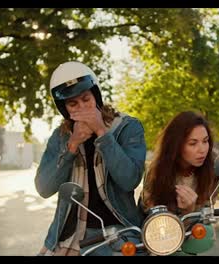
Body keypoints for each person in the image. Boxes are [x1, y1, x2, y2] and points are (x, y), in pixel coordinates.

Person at [35, 61, 146, 256]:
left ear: (96, 95)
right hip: (73, 234)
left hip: (121, 230)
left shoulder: (127, 127)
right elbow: (44, 188)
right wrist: (72, 146)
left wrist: (102, 133)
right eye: (73, 104)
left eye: (86, 99)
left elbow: (129, 180)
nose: (83, 108)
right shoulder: (61, 137)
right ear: (65, 109)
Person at [140, 111, 218, 216]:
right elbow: (147, 214)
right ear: (176, 145)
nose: (202, 149)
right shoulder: (156, 171)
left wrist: (190, 211)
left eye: (205, 141)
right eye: (193, 143)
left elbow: (207, 219)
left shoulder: (210, 171)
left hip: (195, 231)